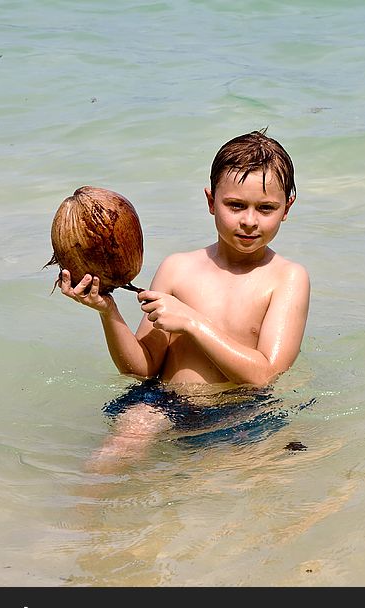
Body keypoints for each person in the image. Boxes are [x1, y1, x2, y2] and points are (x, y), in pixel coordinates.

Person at [59, 129, 310, 472]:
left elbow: (265, 375)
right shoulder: (177, 269)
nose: (250, 221)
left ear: (287, 208)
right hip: (165, 403)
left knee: (262, 496)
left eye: (266, 208)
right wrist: (109, 312)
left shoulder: (288, 278)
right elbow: (141, 368)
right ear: (210, 201)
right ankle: (75, 523)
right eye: (235, 205)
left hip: (245, 410)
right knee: (110, 458)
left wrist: (192, 323)